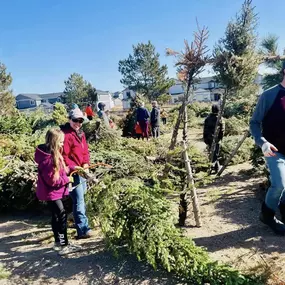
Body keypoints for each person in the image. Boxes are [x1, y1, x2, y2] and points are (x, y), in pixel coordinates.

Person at [250, 61, 285, 235]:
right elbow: (254, 122)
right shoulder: (270, 95)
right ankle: (267, 215)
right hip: (274, 150)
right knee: (279, 184)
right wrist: (262, 141)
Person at [35, 128, 81, 255]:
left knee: (56, 216)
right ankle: (63, 245)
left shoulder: (54, 155)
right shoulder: (48, 160)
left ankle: (58, 242)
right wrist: (67, 179)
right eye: (61, 142)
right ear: (54, 142)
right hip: (51, 193)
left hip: (53, 193)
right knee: (61, 216)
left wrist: (72, 167)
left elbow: (61, 170)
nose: (62, 144)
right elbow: (53, 181)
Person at [60, 108, 93, 239]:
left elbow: (85, 151)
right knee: (79, 200)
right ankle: (83, 230)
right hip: (72, 173)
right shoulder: (66, 135)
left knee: (81, 199)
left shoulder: (81, 133)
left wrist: (85, 164)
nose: (78, 123)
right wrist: (75, 167)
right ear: (69, 120)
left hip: (82, 171)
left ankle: (77, 222)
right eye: (75, 120)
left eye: (80, 121)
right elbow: (64, 156)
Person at [203, 104, 224, 173]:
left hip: (209, 138)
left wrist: (205, 139)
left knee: (212, 153)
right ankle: (213, 166)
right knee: (216, 153)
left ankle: (215, 167)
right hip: (216, 139)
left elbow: (205, 130)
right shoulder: (219, 118)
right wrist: (220, 138)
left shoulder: (207, 118)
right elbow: (222, 130)